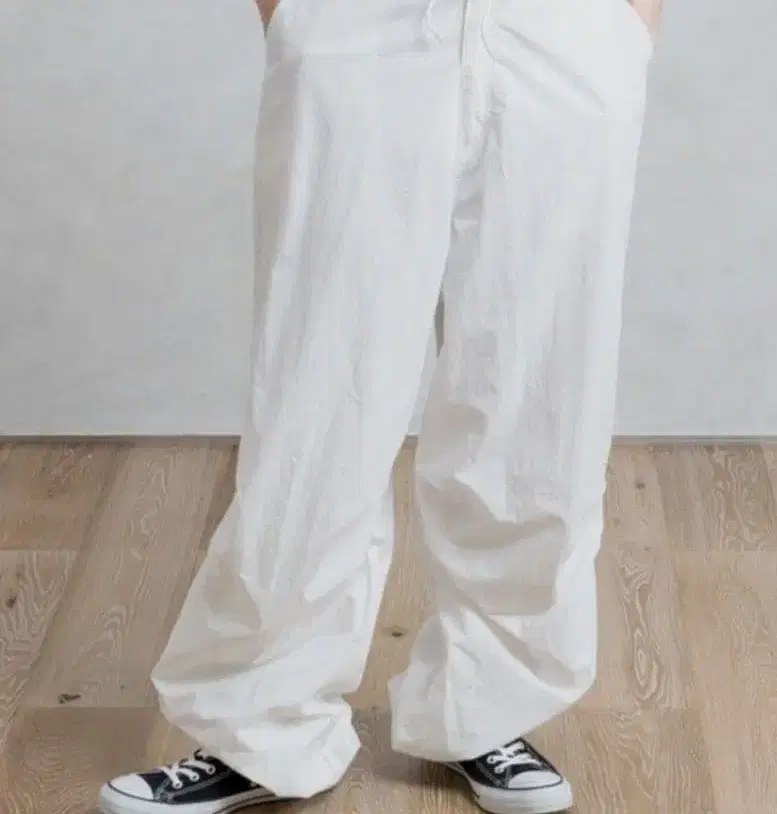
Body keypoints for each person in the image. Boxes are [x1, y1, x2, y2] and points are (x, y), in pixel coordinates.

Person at [99, 0, 659, 811]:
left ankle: (485, 706)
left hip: (566, 30)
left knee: (537, 398)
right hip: (361, 26)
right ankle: (260, 725)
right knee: (319, 395)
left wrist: (627, 24)